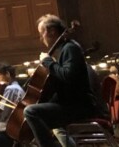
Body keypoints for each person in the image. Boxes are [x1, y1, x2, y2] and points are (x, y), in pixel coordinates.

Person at [22, 15, 98, 147]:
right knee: (34, 118)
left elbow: (68, 76)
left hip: (79, 106)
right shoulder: (62, 50)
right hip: (70, 104)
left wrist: (48, 62)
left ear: (52, 31)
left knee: (31, 112)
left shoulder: (70, 48)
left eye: (42, 33)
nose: (41, 38)